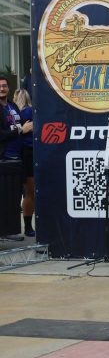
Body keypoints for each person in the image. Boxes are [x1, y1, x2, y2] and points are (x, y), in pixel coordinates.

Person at [0, 77, 31, 241]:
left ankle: (10, 231)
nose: (2, 89)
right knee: (4, 198)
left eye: (4, 86)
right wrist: (20, 130)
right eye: (0, 86)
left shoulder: (12, 106)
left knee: (15, 197)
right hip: (4, 159)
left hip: (18, 157)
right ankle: (4, 232)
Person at [13, 89, 35, 237]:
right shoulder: (29, 111)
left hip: (18, 154)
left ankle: (26, 227)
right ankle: (28, 227)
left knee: (25, 193)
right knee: (30, 193)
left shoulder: (13, 112)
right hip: (29, 152)